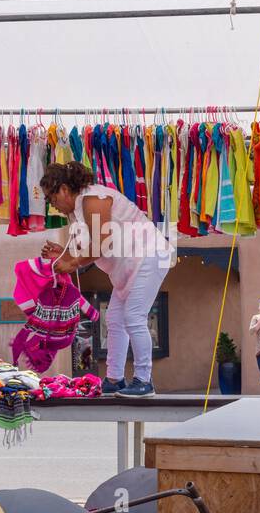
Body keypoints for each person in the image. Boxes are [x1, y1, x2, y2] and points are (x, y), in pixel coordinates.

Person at [41, 162, 173, 398]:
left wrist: (70, 263)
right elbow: (89, 250)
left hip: (148, 255)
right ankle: (115, 379)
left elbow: (101, 244)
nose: (54, 207)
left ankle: (144, 380)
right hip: (130, 265)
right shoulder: (77, 213)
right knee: (114, 318)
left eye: (52, 199)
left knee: (133, 317)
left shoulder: (93, 198)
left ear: (63, 189)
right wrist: (63, 253)